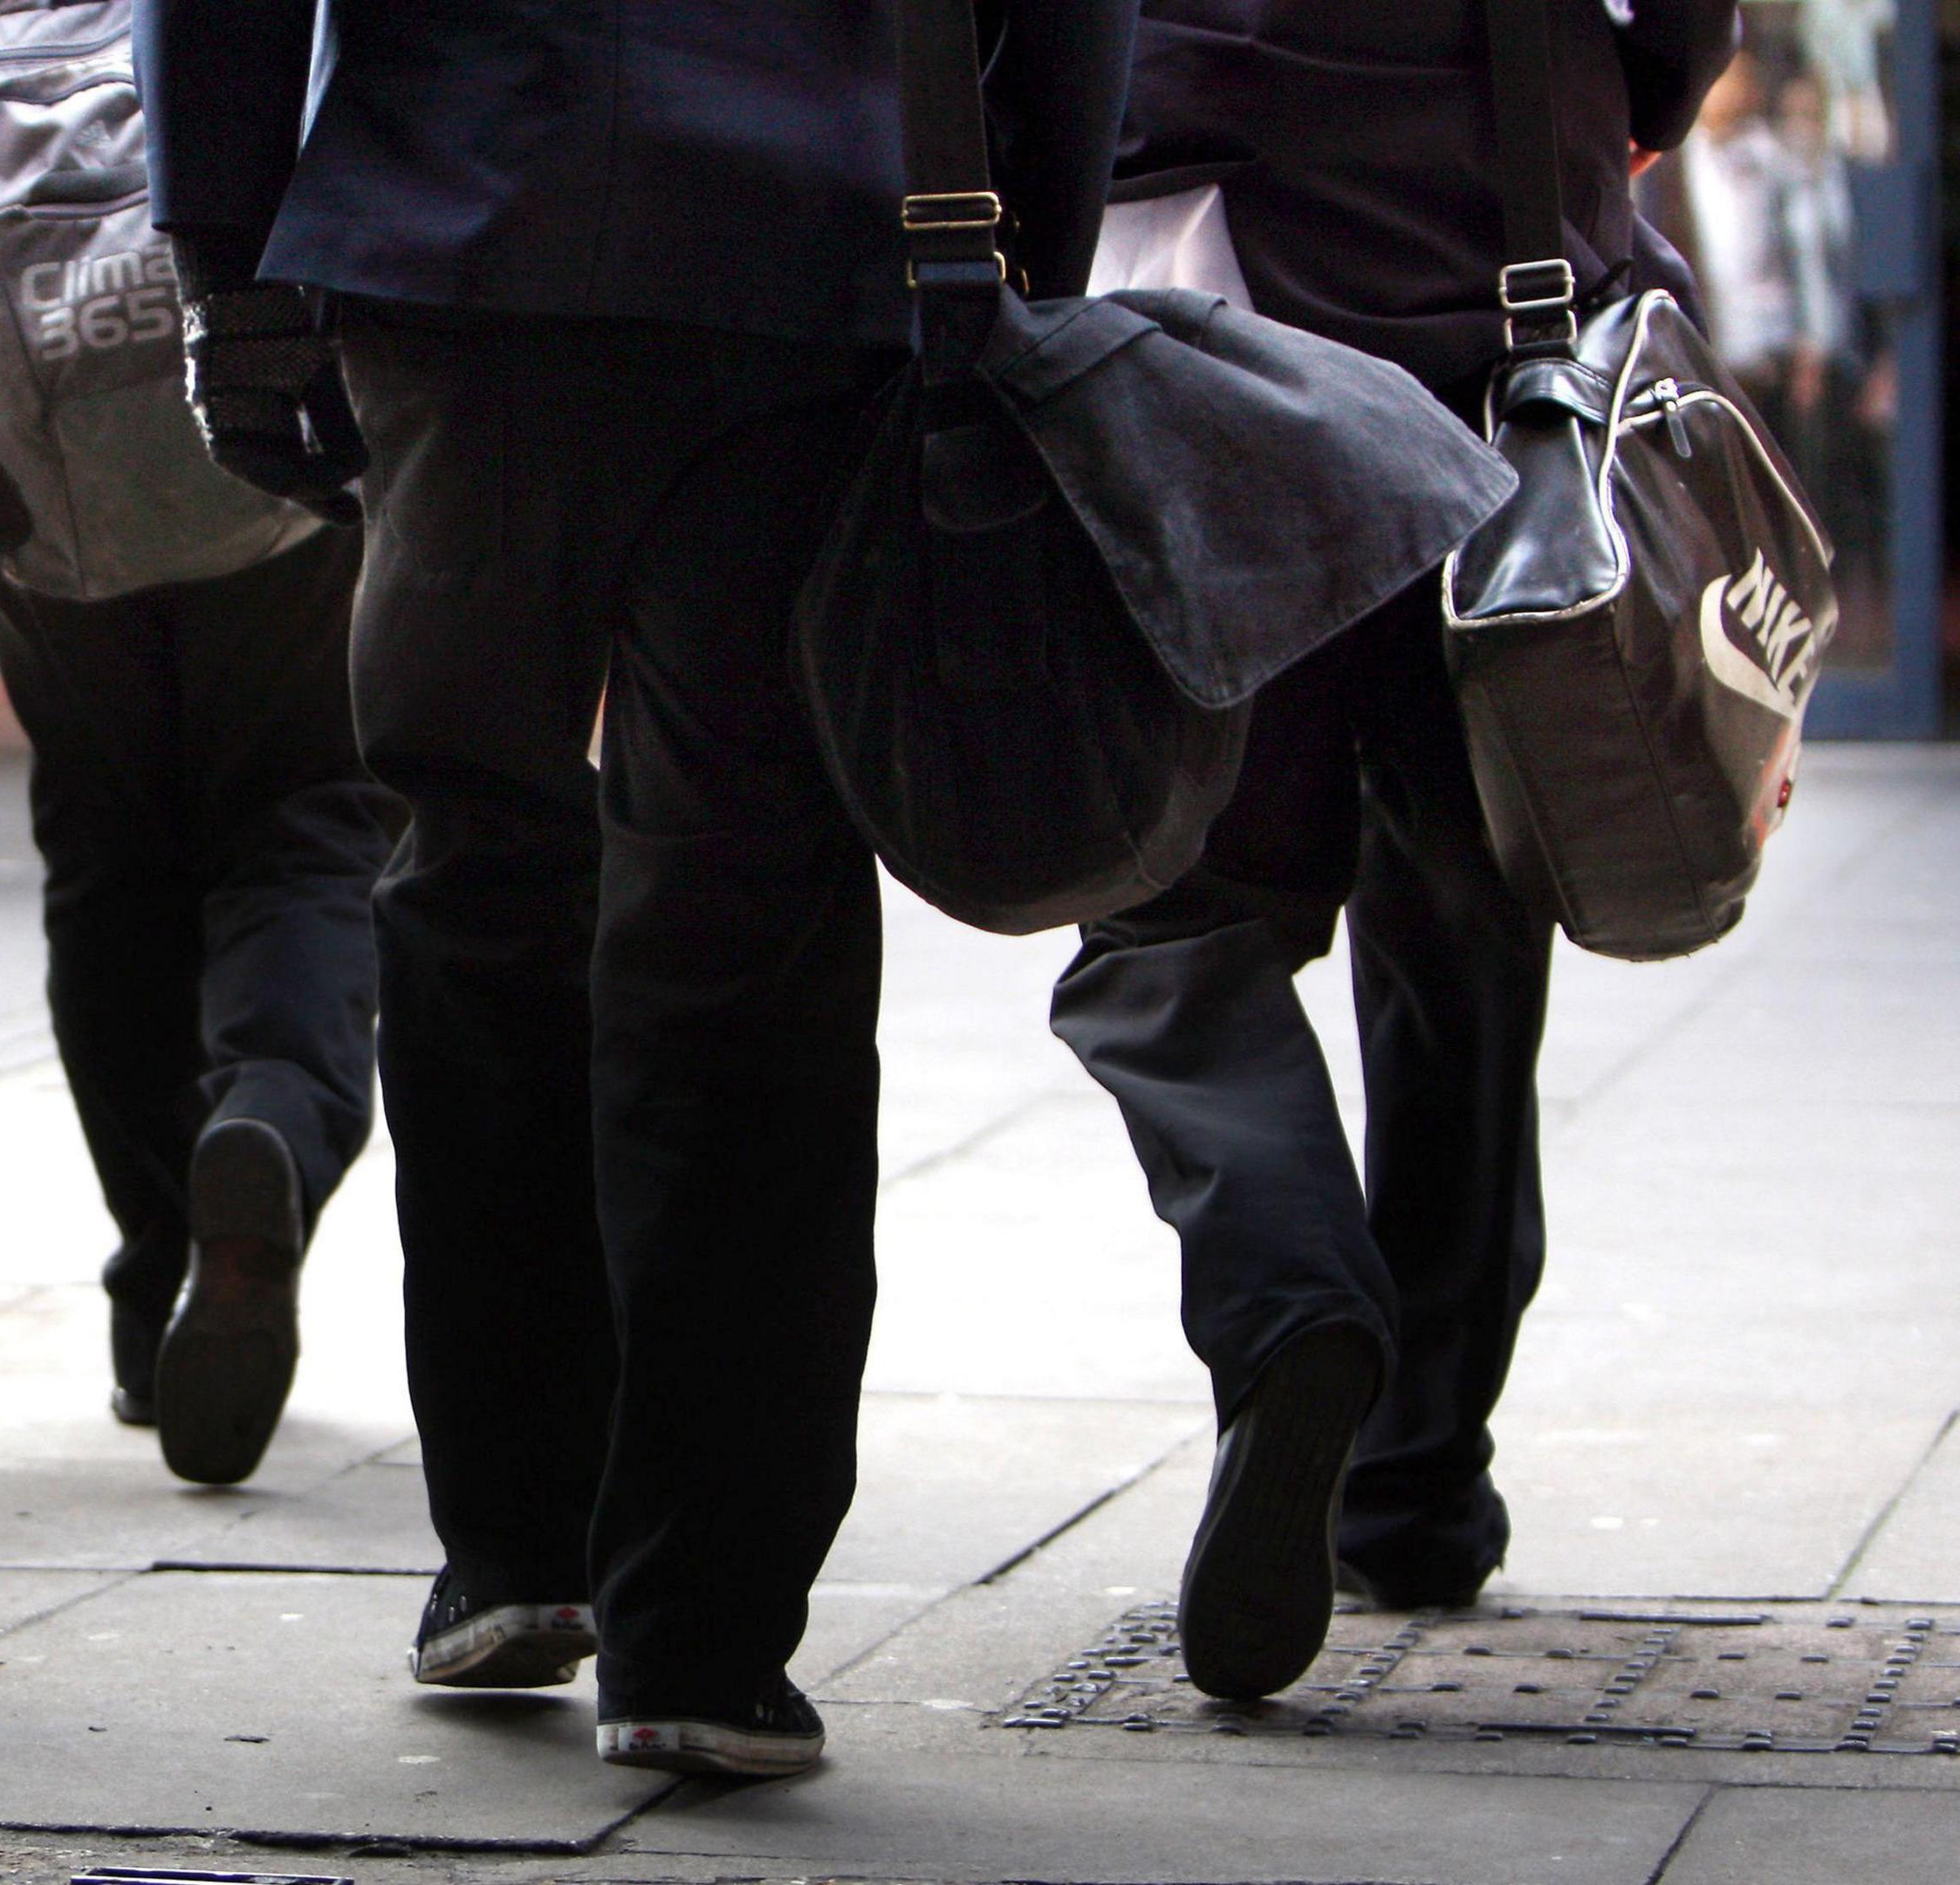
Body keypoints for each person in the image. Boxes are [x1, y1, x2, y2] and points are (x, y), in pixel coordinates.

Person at [140, 0, 1132, 1774]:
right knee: (751, 910)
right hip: (816, 246)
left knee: (473, 876)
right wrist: (1022, 249)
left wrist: (227, 259)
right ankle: (707, 1630)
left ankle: (517, 1545)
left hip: (459, 228)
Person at [1047, 0, 1737, 1701]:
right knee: (1470, 883)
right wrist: (1641, 93)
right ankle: (1419, 1473)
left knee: (1175, 898)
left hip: (1206, 256)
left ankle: (1291, 1299)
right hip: (1509, 215)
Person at [0, 0, 394, 1488]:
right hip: (258, 415)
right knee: (306, 817)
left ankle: (152, 1280)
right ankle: (273, 1132)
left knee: (107, 853)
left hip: (44, 462)